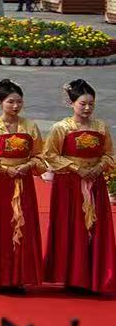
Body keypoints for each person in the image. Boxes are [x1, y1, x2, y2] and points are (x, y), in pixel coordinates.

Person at [0, 78, 46, 293]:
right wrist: (4, 169)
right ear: (0, 102)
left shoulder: (30, 126)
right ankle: (0, 276)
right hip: (1, 184)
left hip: (24, 182)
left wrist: (28, 165)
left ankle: (20, 276)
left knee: (24, 226)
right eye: (10, 102)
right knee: (2, 227)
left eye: (19, 101)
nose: (15, 106)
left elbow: (40, 156)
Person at [42, 79, 115, 295]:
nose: (87, 108)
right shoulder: (61, 128)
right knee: (71, 227)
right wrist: (76, 168)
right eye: (82, 103)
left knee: (95, 227)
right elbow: (50, 155)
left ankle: (95, 275)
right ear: (71, 103)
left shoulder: (101, 127)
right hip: (69, 185)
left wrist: (99, 166)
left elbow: (109, 154)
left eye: (91, 104)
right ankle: (71, 276)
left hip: (95, 183)